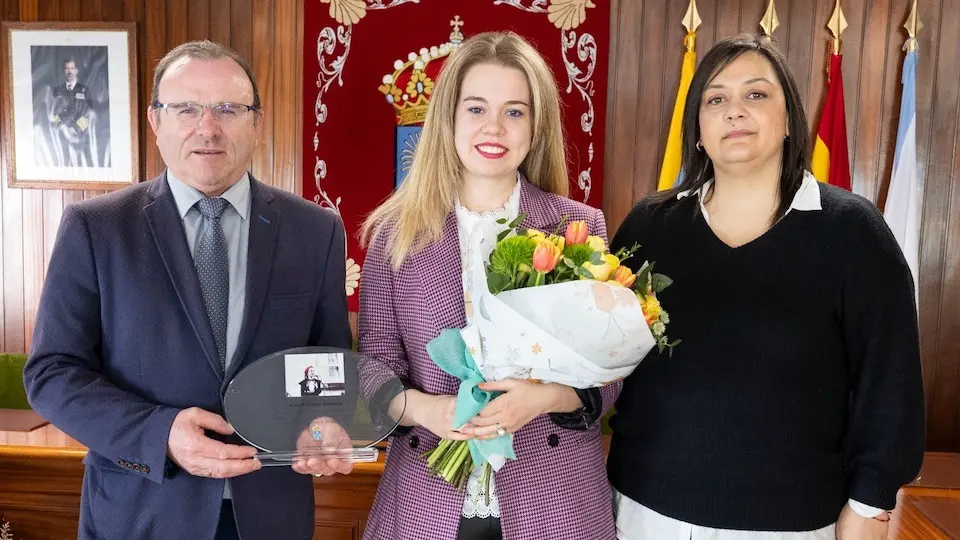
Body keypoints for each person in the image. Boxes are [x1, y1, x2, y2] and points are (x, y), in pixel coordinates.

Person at [23, 40, 352, 540]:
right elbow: (51, 374)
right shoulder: (96, 228)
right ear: (156, 122)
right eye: (187, 109)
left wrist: (323, 421)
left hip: (270, 513)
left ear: (256, 122)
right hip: (143, 509)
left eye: (228, 109)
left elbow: (328, 364)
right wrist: (160, 435)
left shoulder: (315, 230)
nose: (208, 127)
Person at [607, 33, 924, 540]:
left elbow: (890, 380)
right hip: (644, 509)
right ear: (698, 131)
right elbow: (605, 356)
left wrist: (868, 504)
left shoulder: (852, 233)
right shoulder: (649, 226)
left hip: (791, 522)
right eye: (716, 98)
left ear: (788, 121)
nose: (735, 111)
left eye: (756, 94)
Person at [358, 31, 620, 540]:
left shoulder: (576, 227)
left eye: (515, 111)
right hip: (425, 498)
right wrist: (425, 409)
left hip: (555, 499)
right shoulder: (396, 232)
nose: (494, 127)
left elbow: (609, 377)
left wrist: (543, 398)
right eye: (476, 108)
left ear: (535, 124)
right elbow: (373, 364)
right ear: (449, 119)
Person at [51, 57, 95, 167]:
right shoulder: (57, 90)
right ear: (63, 70)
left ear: (76, 70)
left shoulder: (85, 90)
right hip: (62, 137)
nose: (69, 71)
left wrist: (75, 129)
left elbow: (90, 114)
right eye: (67, 68)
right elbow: (53, 114)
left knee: (83, 167)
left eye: (72, 68)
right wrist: (63, 127)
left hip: (82, 136)